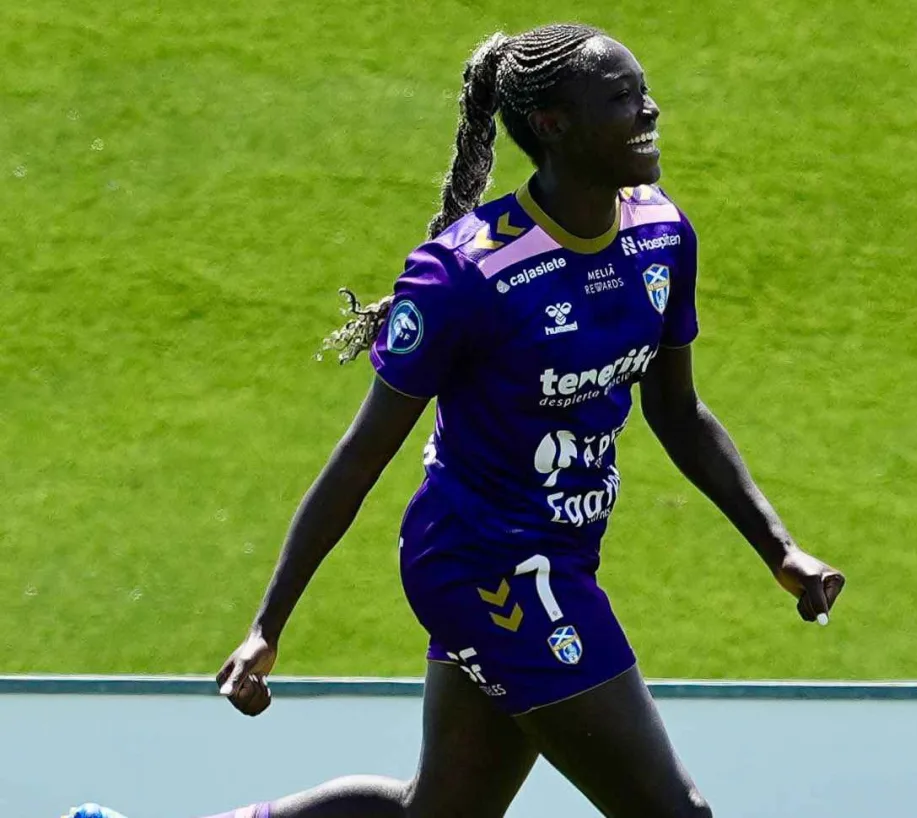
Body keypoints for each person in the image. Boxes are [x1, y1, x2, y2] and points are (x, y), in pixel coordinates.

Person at [68, 21, 845, 818]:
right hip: (486, 567)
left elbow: (678, 413)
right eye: (623, 98)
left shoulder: (660, 235)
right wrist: (268, 627)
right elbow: (361, 456)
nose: (650, 110)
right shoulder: (466, 275)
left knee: (436, 814)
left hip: (561, 554)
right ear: (553, 125)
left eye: (644, 92)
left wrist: (779, 549)